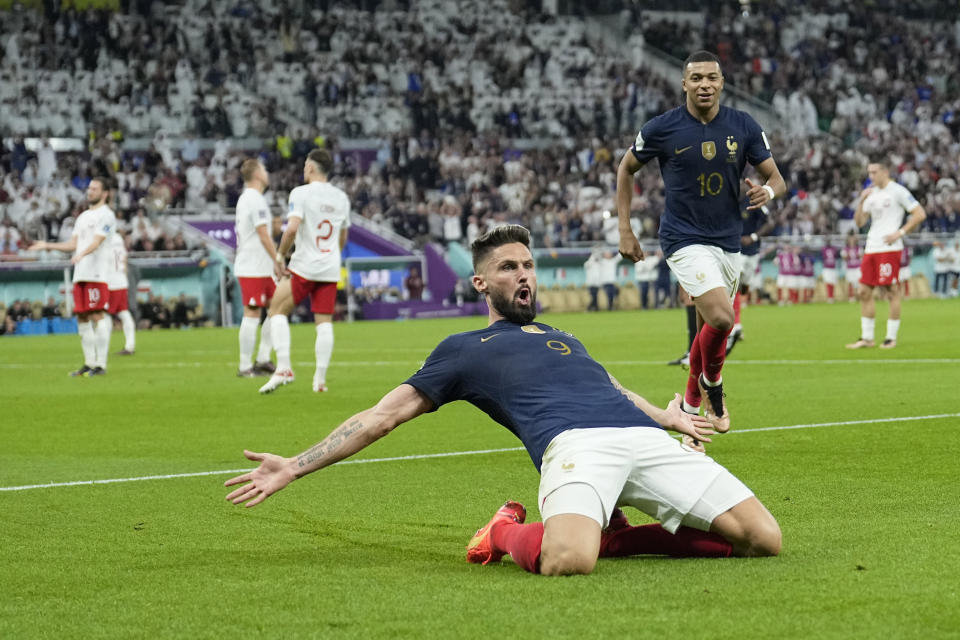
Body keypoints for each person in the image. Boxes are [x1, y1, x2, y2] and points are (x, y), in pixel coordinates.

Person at [225, 225, 782, 576]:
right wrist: (294, 467)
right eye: (509, 268)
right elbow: (382, 416)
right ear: (480, 284)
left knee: (763, 540)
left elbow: (609, 387)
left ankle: (613, 536)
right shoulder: (464, 349)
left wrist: (666, 416)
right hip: (574, 449)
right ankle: (502, 532)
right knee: (567, 560)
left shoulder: (563, 336)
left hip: (645, 439)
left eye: (528, 265)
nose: (524, 276)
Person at [616, 50, 786, 431]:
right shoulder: (662, 127)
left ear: (722, 82)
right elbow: (626, 168)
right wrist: (625, 229)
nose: (704, 85)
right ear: (684, 84)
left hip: (727, 241)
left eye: (711, 78)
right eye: (696, 79)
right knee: (722, 318)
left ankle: (691, 413)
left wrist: (767, 193)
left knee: (704, 329)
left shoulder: (743, 125)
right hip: (682, 238)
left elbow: (777, 178)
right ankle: (714, 385)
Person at [259, 149, 351, 394]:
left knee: (276, 310)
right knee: (324, 322)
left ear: (310, 167)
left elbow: (291, 229)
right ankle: (319, 381)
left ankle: (284, 368)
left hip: (304, 266)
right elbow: (343, 236)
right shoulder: (341, 197)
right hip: (329, 267)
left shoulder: (300, 193)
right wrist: (332, 256)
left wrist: (279, 256)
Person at [28, 177, 117, 376]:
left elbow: (97, 242)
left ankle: (101, 365)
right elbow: (72, 244)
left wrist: (81, 254)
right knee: (82, 317)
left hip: (97, 273)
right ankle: (88, 362)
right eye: (89, 188)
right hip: (81, 273)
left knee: (97, 315)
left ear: (105, 194)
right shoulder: (83, 216)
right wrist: (47, 245)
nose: (89, 191)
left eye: (94, 189)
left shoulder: (107, 215)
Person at [845, 156, 926, 349]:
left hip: (889, 248)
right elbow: (859, 223)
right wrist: (861, 201)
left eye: (874, 172)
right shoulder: (870, 193)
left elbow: (919, 214)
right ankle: (867, 338)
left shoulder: (898, 191)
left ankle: (890, 338)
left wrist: (900, 233)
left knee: (891, 291)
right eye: (869, 172)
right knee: (864, 291)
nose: (870, 176)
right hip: (871, 247)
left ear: (885, 172)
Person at [234, 158, 279, 378]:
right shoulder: (253, 198)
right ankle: (244, 366)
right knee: (252, 314)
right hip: (252, 266)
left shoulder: (253, 199)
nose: (267, 172)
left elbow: (264, 230)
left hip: (263, 266)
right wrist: (279, 259)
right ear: (258, 174)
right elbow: (262, 234)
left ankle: (262, 358)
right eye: (264, 169)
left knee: (277, 308)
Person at [729, 203, 775, 352]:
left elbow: (770, 223)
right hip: (736, 251)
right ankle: (735, 325)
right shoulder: (730, 200)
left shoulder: (756, 204)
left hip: (753, 251)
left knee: (743, 287)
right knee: (734, 284)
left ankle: (735, 324)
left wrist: (754, 237)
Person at [106, 229, 136, 355]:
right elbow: (125, 262)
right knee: (123, 312)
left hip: (112, 283)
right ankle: (130, 345)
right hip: (122, 281)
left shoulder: (106, 243)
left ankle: (102, 346)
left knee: (106, 314)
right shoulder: (120, 243)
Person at [842, 232, 862, 302]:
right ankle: (851, 297)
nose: (852, 241)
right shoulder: (845, 249)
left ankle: (859, 296)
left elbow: (861, 255)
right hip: (850, 268)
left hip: (857, 267)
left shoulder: (858, 248)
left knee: (858, 282)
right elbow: (844, 257)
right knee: (850, 282)